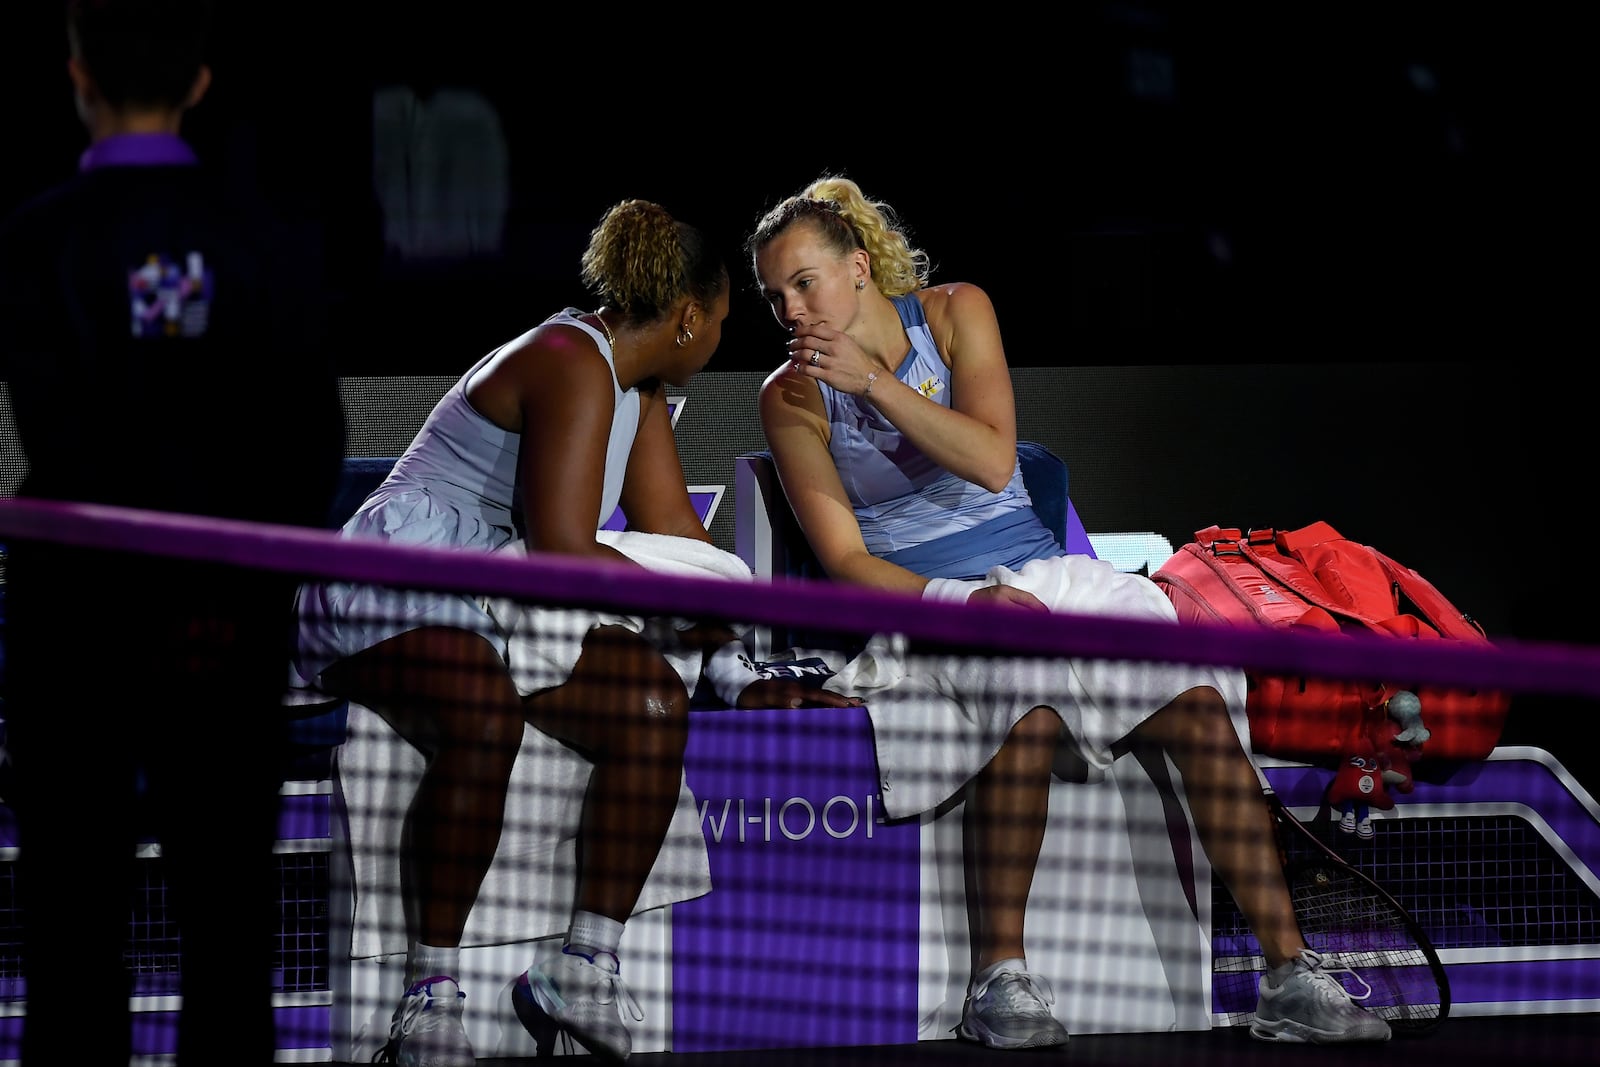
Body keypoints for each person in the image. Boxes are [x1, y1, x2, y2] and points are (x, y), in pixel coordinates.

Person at [746, 175, 1394, 1049]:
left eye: (804, 281)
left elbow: (990, 457)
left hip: (1050, 576)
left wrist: (876, 383)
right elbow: (848, 560)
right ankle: (998, 981)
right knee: (1032, 702)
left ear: (858, 267)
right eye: (774, 294)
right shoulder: (787, 397)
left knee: (1200, 708)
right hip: (936, 608)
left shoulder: (955, 312)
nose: (790, 308)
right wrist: (966, 600)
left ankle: (1289, 972)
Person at [289, 197, 862, 1067]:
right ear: (684, 319)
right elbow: (562, 549)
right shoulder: (569, 359)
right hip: (405, 575)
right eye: (718, 320)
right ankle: (429, 994)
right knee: (483, 713)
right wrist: (688, 606)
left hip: (500, 590)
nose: (719, 341)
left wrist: (734, 664)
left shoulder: (640, 389)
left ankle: (583, 966)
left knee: (653, 704)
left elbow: (676, 538)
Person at [0, 2, 345, 1065]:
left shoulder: (36, 235)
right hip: (224, 622)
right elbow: (310, 441)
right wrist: (243, 582)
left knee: (72, 926)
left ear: (77, 77)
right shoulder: (269, 235)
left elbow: (52, 426)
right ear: (199, 82)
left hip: (74, 624)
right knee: (228, 926)